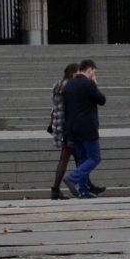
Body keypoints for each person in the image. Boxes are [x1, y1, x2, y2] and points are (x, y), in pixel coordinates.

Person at [61, 58, 106, 198]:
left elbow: (66, 108)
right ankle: (72, 178)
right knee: (94, 157)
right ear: (90, 70)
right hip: (87, 127)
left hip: (72, 128)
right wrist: (95, 84)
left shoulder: (68, 85)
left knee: (83, 158)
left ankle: (84, 191)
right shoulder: (88, 84)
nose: (94, 74)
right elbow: (101, 100)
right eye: (94, 72)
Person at [48, 61, 80, 199]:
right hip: (68, 128)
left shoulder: (58, 86)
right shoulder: (70, 88)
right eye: (78, 73)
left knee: (75, 157)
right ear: (73, 74)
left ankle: (82, 185)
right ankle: (57, 189)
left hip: (59, 126)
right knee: (69, 158)